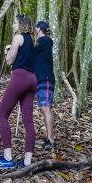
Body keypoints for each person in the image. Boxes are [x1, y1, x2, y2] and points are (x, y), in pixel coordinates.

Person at [0, 14, 38, 169]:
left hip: (20, 77)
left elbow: (10, 61)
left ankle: (8, 159)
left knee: (2, 115)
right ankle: (27, 162)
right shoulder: (33, 41)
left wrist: (7, 51)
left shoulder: (18, 37)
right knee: (28, 122)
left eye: (15, 22)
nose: (13, 25)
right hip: (33, 80)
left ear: (22, 24)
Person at [34, 20, 55, 149]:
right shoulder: (43, 42)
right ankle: (49, 137)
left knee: (46, 107)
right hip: (41, 79)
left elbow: (30, 48)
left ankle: (50, 139)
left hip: (45, 79)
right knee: (44, 108)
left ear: (38, 29)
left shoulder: (44, 41)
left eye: (36, 28)